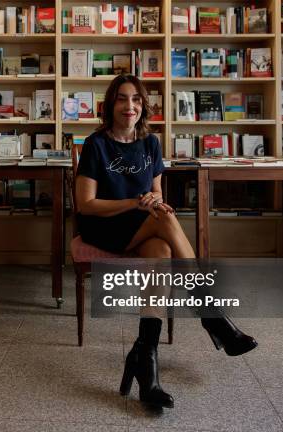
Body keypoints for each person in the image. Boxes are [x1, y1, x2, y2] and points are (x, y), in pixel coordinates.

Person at [75, 74, 257, 410]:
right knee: (167, 220)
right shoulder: (96, 144)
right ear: (110, 104)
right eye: (121, 99)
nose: (129, 106)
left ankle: (146, 362)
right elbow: (86, 205)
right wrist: (136, 203)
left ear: (143, 105)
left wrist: (153, 202)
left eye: (136, 100)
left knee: (160, 249)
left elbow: (157, 191)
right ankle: (209, 313)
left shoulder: (151, 143)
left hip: (143, 223)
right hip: (104, 225)